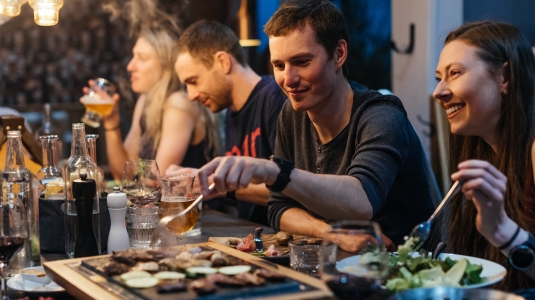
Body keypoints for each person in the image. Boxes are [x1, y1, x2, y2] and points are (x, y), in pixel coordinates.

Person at [196, 0, 438, 250]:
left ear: (339, 54)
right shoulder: (291, 113)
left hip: (408, 272)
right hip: (337, 265)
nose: (288, 80)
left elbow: (362, 202)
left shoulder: (382, 115)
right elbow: (279, 209)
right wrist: (331, 233)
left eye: (302, 62)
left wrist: (274, 172)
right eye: (279, 65)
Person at [433, 21, 535, 290]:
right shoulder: (481, 152)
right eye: (438, 78)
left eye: (455, 73)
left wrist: (502, 230)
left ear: (504, 78)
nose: (438, 92)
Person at [166, 20, 287, 226]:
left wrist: (215, 183)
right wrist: (208, 184)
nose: (191, 95)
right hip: (252, 238)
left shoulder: (273, 99)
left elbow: (290, 188)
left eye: (193, 81)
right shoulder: (230, 111)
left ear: (223, 62)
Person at [83, 22, 221, 180]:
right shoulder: (145, 101)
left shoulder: (179, 103)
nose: (130, 66)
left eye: (141, 58)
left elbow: (156, 180)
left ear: (165, 64)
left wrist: (132, 183)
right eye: (133, 56)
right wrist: (111, 122)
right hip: (159, 204)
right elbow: (122, 175)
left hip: (193, 204)